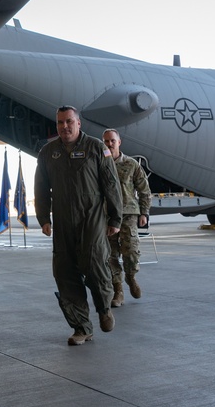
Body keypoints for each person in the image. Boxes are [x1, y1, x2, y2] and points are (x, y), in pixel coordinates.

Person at [34, 106, 123, 346]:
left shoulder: (96, 148)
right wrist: (43, 218)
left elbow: (111, 185)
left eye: (69, 121)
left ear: (78, 123)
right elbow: (41, 188)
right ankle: (81, 327)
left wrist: (115, 218)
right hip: (63, 221)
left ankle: (104, 308)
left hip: (91, 218)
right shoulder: (48, 152)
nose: (64, 126)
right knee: (64, 273)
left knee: (95, 266)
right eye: (60, 122)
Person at [102, 129, 151, 307]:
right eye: (106, 141)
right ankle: (118, 290)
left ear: (119, 142)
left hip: (128, 213)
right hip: (106, 216)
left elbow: (144, 189)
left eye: (112, 141)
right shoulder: (100, 164)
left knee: (130, 250)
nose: (109, 144)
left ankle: (131, 277)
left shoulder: (131, 164)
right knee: (110, 254)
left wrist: (144, 212)